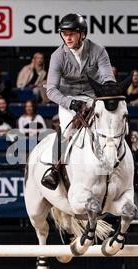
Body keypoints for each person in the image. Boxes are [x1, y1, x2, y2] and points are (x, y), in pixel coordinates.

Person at [42, 13, 116, 190]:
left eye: (72, 33)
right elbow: (51, 90)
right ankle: (55, 168)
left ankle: (132, 169)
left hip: (93, 98)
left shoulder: (98, 51)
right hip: (68, 100)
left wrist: (109, 90)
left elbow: (108, 77)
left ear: (82, 34)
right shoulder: (57, 56)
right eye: (64, 33)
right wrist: (70, 104)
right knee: (67, 131)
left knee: (113, 124)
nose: (67, 37)